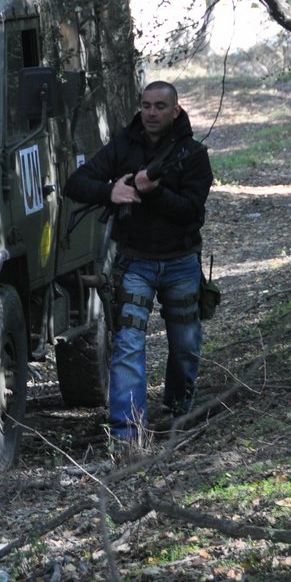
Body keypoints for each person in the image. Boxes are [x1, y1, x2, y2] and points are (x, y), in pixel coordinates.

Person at [64, 81, 214, 447]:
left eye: (160, 106)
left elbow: (193, 213)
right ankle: (128, 436)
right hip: (134, 263)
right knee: (128, 345)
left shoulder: (193, 154)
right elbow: (76, 183)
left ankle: (180, 413)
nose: (151, 113)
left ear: (175, 110)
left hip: (181, 262)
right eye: (146, 105)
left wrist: (154, 192)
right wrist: (109, 190)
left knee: (186, 345)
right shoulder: (123, 145)